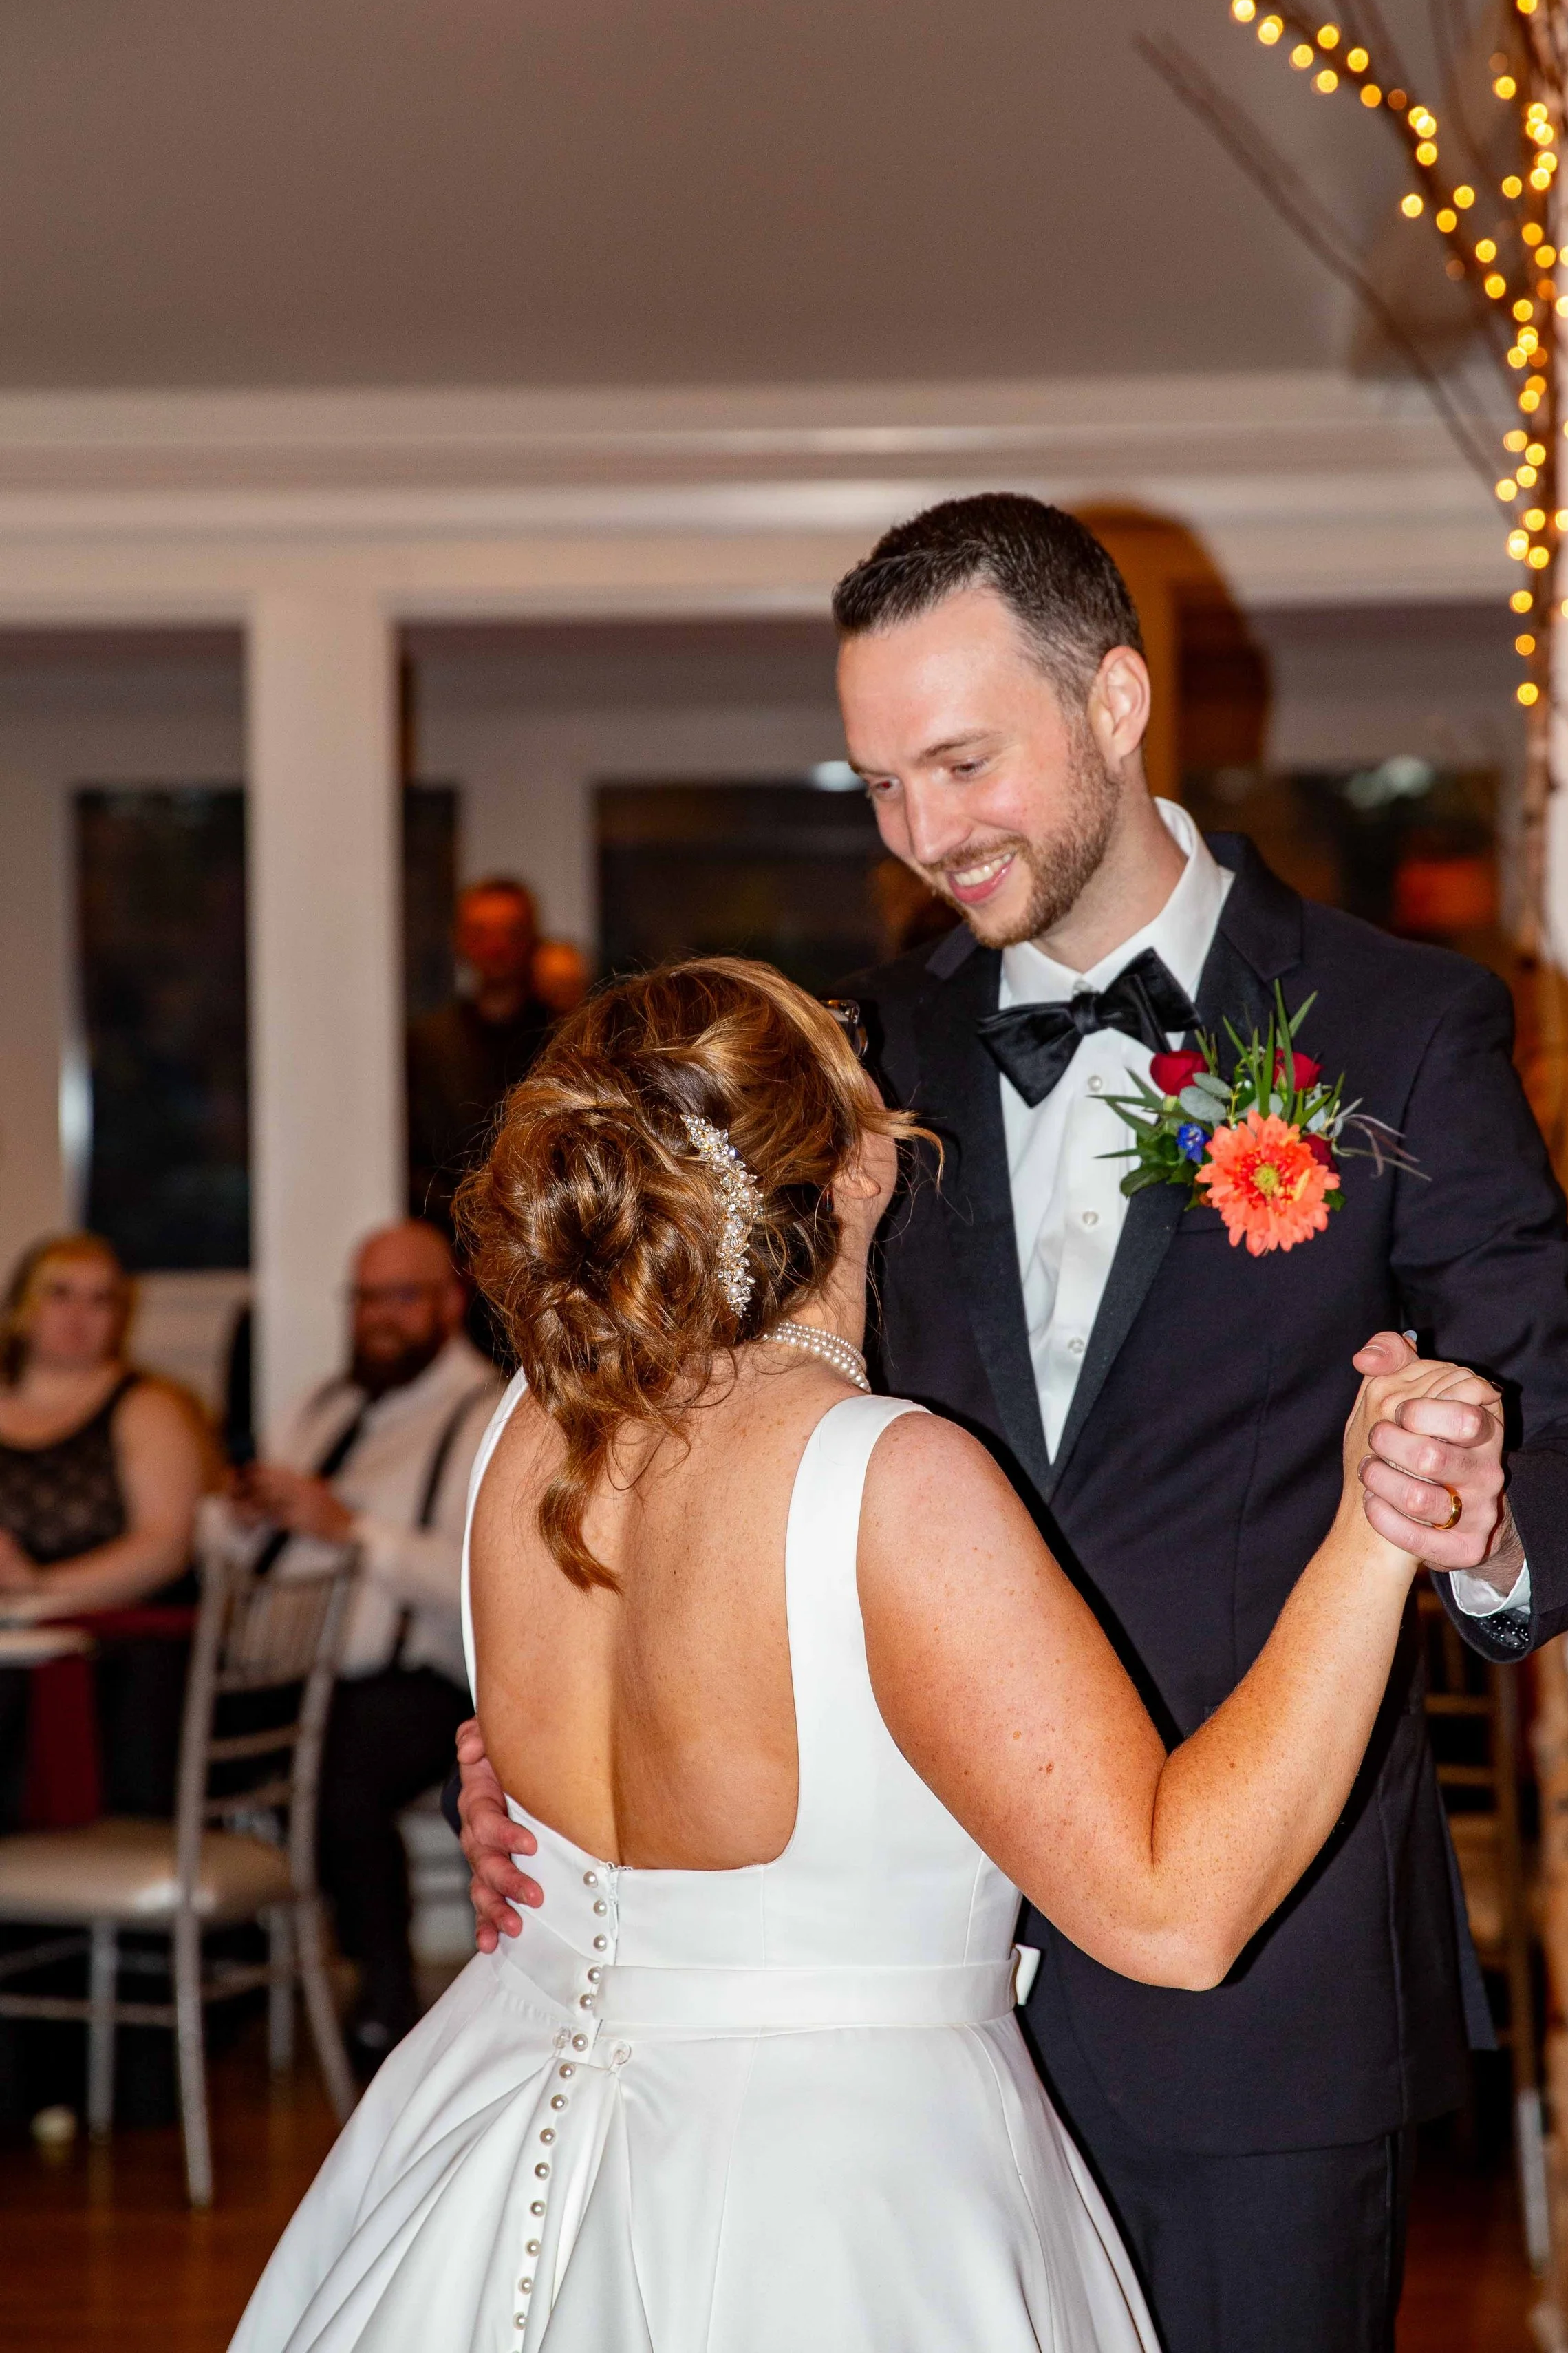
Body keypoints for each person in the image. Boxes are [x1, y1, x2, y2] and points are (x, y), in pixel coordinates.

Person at [461, 497, 1568, 2352]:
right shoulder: (858, 1060)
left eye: (961, 761)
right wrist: (555, 1775)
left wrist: (1478, 1515)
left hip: (1247, 2001)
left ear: (1111, 699)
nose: (922, 834)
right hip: (891, 2018)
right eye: (877, 781)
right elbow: (679, 1448)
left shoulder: (1397, 1024)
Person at [230, 957, 1495, 2353]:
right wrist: (1373, 1537)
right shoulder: (885, 1476)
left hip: (486, 2128)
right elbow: (1169, 1915)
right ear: (850, 1174)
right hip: (832, 2195)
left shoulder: (523, 1431)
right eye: (865, 1091)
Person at [215, 1221, 502, 2069]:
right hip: (291, 1672)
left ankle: (385, 1999)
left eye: (401, 1296)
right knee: (161, 1737)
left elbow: (476, 1581)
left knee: (339, 1774)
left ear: (451, 1303)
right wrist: (236, 1519)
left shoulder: (485, 1413)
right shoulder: (325, 1406)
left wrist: (352, 1530)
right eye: (366, 1297)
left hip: (419, 1682)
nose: (379, 1317)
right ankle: (202, 1970)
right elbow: (250, 1554)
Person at [0, 1233, 206, 1828]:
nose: (78, 1315)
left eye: (100, 1300)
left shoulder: (151, 1407)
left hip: (126, 1661)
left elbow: (165, 1548)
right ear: (24, 1307)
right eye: (61, 1294)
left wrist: (38, 1590)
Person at [407, 877, 554, 1236]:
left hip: (543, 1235)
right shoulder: (427, 1044)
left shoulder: (564, 1038)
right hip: (448, 1241)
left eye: (511, 932)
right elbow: (411, 1155)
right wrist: (465, 1219)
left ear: (532, 941)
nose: (496, 946)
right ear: (461, 942)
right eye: (481, 932)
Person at [530, 935, 591, 1017]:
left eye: (572, 984)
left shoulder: (594, 1023)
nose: (566, 993)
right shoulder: (523, 1023)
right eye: (558, 985)